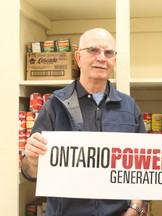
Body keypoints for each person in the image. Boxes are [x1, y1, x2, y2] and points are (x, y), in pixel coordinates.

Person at [21, 28, 147, 216]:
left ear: (113, 60)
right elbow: (30, 173)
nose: (102, 58)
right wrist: (31, 158)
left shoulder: (129, 107)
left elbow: (145, 168)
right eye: (93, 50)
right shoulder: (55, 104)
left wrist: (134, 209)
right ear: (78, 58)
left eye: (109, 52)